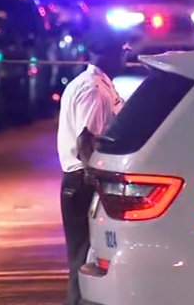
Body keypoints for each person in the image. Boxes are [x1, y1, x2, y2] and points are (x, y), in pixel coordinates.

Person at [56, 33, 130, 305]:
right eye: (122, 51)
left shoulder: (93, 84)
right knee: (84, 259)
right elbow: (87, 142)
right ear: (108, 54)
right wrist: (99, 184)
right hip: (83, 182)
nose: (125, 57)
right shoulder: (94, 90)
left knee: (82, 257)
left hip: (78, 182)